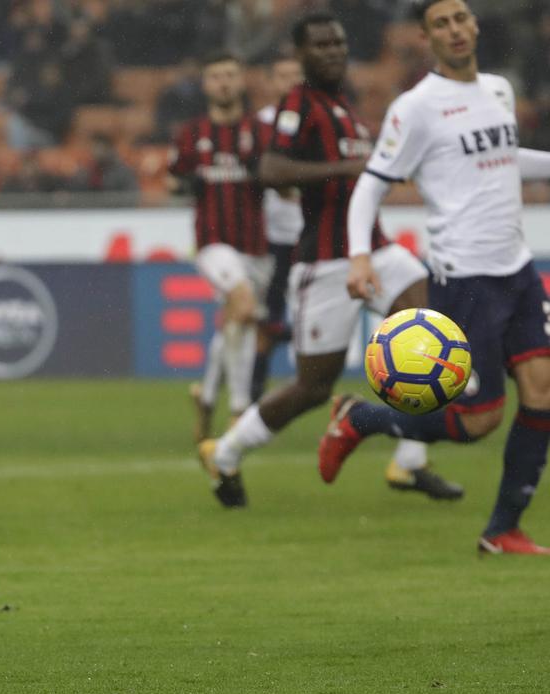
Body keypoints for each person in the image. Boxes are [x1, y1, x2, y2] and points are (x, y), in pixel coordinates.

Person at [197, 14, 463, 507]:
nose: (333, 51)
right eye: (320, 45)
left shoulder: (345, 106)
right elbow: (271, 169)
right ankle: (226, 453)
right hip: (326, 264)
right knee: (312, 387)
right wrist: (349, 167)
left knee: (432, 334)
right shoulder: (300, 103)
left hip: (377, 250)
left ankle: (408, 461)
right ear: (301, 55)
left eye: (338, 43)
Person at [319, 0, 550, 554]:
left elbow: (502, 157)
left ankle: (502, 530)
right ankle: (362, 418)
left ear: (474, 24)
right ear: (426, 38)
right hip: (465, 278)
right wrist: (359, 256)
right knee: (477, 422)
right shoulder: (416, 108)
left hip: (516, 268)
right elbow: (371, 184)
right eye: (441, 24)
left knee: (542, 394)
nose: (455, 30)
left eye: (460, 18)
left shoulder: (497, 89)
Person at [169, 52, 271, 447]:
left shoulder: (259, 132)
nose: (224, 82)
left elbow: (280, 181)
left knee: (237, 321)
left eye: (230, 75)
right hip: (213, 243)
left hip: (257, 247)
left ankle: (207, 395)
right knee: (243, 306)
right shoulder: (191, 133)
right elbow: (172, 181)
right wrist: (185, 184)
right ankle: (239, 409)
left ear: (241, 81)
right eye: (216, 76)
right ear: (206, 84)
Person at [250, 54, 305, 402]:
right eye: (283, 75)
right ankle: (254, 386)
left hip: (311, 232)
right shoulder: (259, 125)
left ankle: (308, 383)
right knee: (266, 315)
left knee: (307, 311)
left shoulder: (316, 118)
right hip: (271, 235)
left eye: (297, 75)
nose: (291, 82)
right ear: (271, 82)